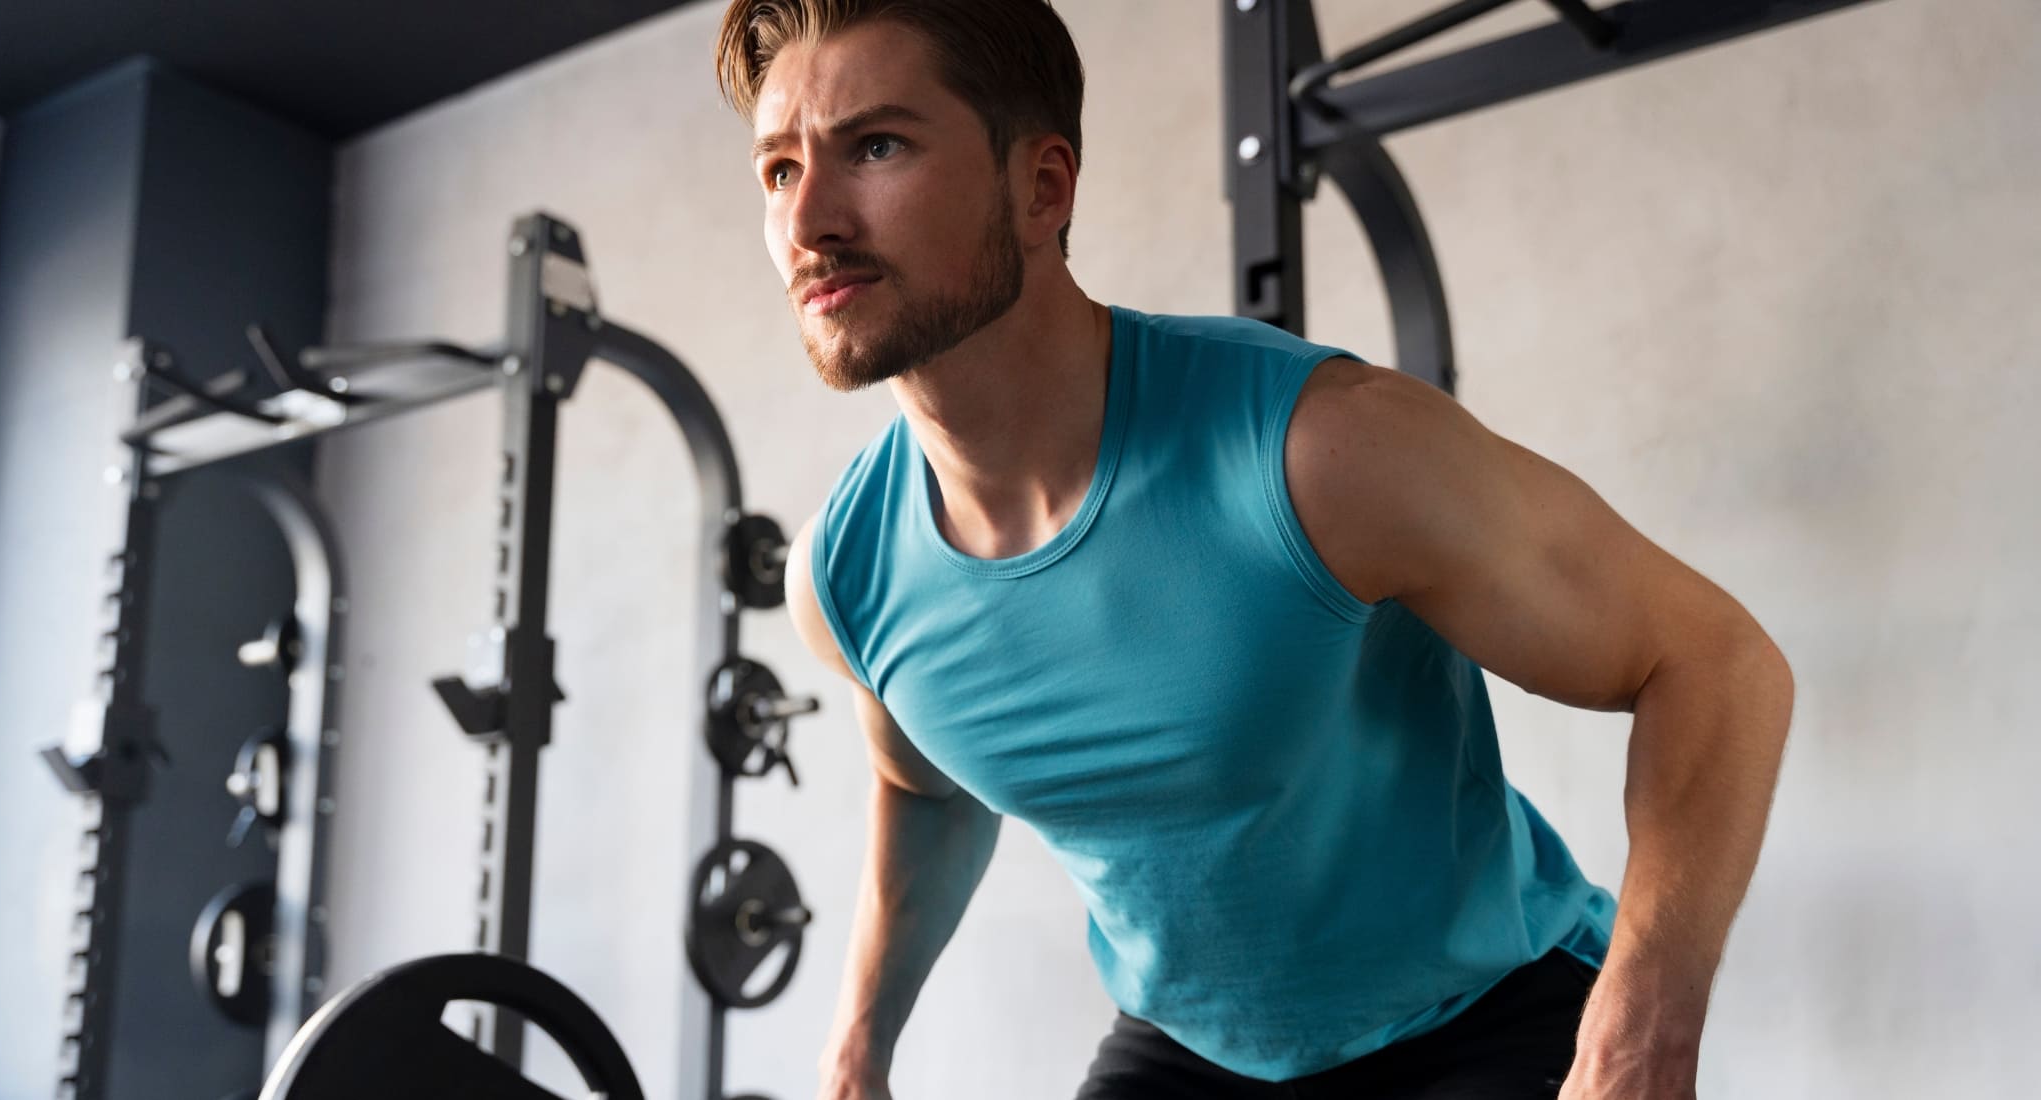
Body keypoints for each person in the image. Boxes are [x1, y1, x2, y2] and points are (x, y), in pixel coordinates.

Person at [713, 2, 1794, 1097]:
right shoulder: (846, 575)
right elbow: (928, 790)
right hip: (1190, 1047)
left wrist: (1640, 1024)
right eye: (777, 169)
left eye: (876, 146)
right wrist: (856, 1045)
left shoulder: (1323, 451)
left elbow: (1709, 660)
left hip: (1485, 1018)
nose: (810, 221)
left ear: (1041, 187)